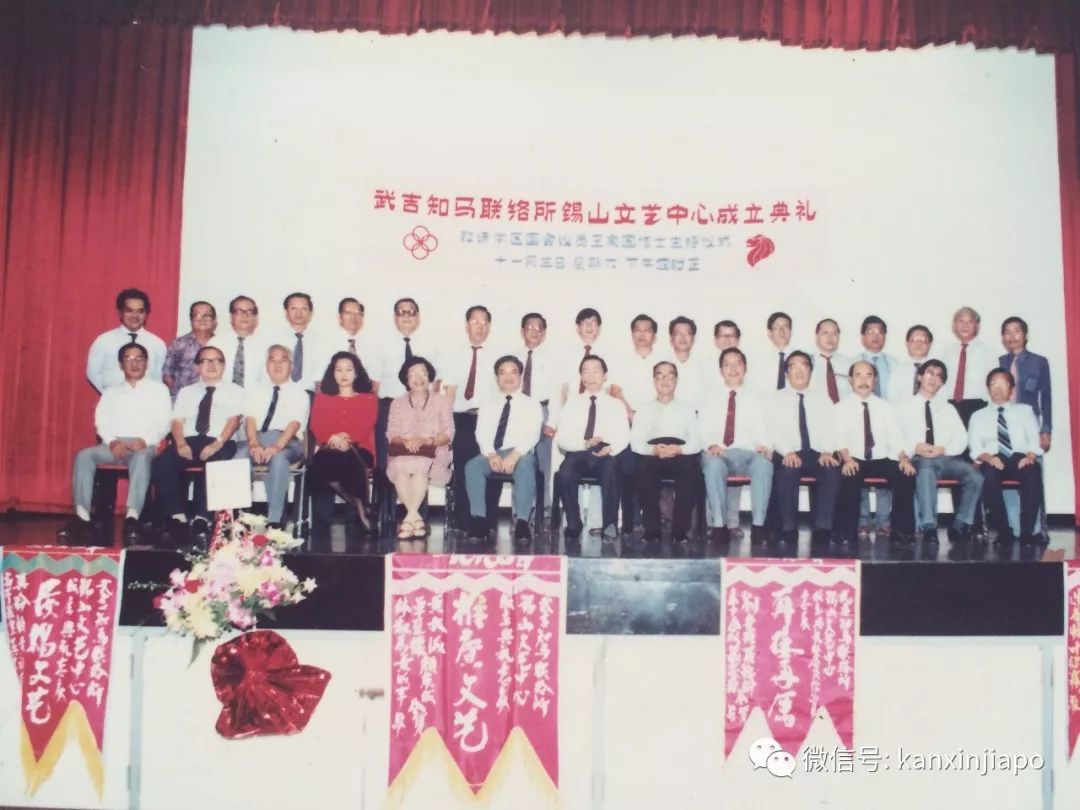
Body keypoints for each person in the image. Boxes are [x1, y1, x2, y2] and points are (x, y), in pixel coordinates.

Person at [62, 343, 171, 545]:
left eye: (139, 359)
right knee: (84, 455)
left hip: (144, 444)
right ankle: (82, 515)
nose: (134, 363)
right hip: (114, 444)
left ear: (146, 363)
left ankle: (132, 517)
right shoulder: (111, 392)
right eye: (128, 359)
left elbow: (165, 422)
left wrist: (145, 440)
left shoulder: (159, 390)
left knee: (141, 458)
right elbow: (101, 421)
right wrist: (112, 441)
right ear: (121, 365)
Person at [151, 345, 244, 545]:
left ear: (224, 366)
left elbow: (233, 421)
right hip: (190, 440)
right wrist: (180, 443)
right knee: (162, 463)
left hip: (221, 440)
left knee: (216, 463)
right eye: (206, 361)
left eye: (217, 361)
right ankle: (178, 517)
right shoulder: (186, 392)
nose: (212, 365)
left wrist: (217, 444)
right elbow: (177, 421)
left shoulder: (236, 391)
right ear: (197, 367)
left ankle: (203, 519)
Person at [897, 359, 982, 545]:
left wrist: (943, 449)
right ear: (920, 377)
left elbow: (962, 438)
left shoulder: (948, 408)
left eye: (939, 376)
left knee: (975, 476)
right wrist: (914, 447)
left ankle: (959, 524)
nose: (933, 378)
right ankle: (929, 527)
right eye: (929, 373)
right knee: (926, 468)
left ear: (942, 383)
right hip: (918, 458)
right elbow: (895, 437)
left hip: (946, 458)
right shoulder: (903, 406)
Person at [372, 297, 440, 528]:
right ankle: (389, 517)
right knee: (389, 462)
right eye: (402, 312)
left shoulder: (429, 344)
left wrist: (431, 407)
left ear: (418, 317)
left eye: (411, 312)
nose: (407, 316)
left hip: (422, 406)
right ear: (395, 317)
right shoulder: (381, 344)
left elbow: (435, 382)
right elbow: (375, 384)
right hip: (389, 407)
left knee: (421, 459)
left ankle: (418, 517)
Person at [833, 360, 916, 544]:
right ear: (850, 380)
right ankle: (846, 533)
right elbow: (839, 437)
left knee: (906, 474)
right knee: (848, 475)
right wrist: (846, 459)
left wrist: (903, 458)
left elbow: (896, 437)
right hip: (854, 458)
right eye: (858, 375)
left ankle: (901, 532)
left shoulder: (886, 407)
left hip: (881, 459)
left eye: (868, 375)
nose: (864, 380)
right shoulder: (840, 408)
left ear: (875, 380)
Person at [463, 355, 542, 546]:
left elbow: (532, 434)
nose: (508, 377)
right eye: (502, 373)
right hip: (494, 452)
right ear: (497, 377)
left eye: (513, 372)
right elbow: (481, 432)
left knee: (525, 466)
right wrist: (491, 454)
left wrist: (515, 455)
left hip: (520, 453)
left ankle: (522, 522)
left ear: (521, 376)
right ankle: (479, 520)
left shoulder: (532, 404)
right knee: (472, 466)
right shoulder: (488, 403)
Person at [555, 354, 630, 553]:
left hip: (606, 452)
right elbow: (561, 438)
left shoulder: (616, 404)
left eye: (596, 371)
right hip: (579, 451)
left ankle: (610, 524)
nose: (591, 376)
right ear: (581, 377)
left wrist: (610, 448)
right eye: (586, 371)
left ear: (605, 375)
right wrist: (584, 443)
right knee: (565, 472)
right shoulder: (572, 403)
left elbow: (624, 435)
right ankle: (573, 523)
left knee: (612, 468)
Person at [766, 351, 840, 545]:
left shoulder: (823, 398)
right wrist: (787, 451)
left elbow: (831, 428)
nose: (799, 371)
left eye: (804, 366)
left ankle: (823, 528)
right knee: (788, 470)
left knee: (831, 470)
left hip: (816, 452)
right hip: (788, 450)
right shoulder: (775, 398)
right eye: (793, 366)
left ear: (810, 371)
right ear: (786, 373)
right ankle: (788, 527)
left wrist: (827, 451)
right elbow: (773, 429)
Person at [308, 351, 379, 552]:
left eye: (349, 369)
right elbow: (316, 426)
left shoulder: (369, 399)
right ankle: (359, 504)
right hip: (329, 448)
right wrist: (332, 437)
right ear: (332, 373)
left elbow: (365, 426)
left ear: (357, 373)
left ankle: (355, 506)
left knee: (345, 458)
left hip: (360, 450)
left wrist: (344, 439)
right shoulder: (322, 398)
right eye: (338, 370)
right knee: (319, 462)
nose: (344, 374)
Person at [700, 348, 773, 544]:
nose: (733, 369)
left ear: (745, 368)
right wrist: (711, 444)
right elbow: (702, 429)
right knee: (712, 464)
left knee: (764, 464)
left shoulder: (757, 398)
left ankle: (758, 526)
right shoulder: (710, 398)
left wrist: (764, 445)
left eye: (737, 364)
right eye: (727, 365)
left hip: (748, 454)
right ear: (720, 370)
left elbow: (765, 428)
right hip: (721, 453)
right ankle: (719, 525)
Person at [630, 361, 703, 555]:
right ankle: (652, 529)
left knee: (691, 471)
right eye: (660, 375)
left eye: (670, 375)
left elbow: (697, 441)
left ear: (676, 380)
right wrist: (653, 450)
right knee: (642, 468)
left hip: (679, 451)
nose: (665, 380)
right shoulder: (643, 408)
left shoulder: (688, 408)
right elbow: (636, 442)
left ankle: (680, 530)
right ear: (654, 380)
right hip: (653, 451)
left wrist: (679, 449)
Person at [968, 369, 1044, 544]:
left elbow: (1034, 439)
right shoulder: (978, 416)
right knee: (988, 475)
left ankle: (1027, 532)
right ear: (988, 389)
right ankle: (1004, 531)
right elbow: (975, 446)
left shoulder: (1025, 411)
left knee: (1033, 470)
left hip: (1020, 457)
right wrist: (988, 458)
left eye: (1004, 384)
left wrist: (1030, 456)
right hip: (993, 458)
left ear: (1012, 389)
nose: (998, 388)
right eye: (993, 384)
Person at [386, 356, 454, 540]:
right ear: (406, 380)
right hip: (404, 452)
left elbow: (448, 433)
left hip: (434, 452)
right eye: (413, 374)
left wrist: (427, 441)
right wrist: (406, 441)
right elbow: (391, 434)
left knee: (417, 465)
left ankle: (409, 519)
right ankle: (415, 519)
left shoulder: (442, 401)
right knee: (401, 466)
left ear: (429, 376)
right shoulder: (397, 403)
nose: (418, 378)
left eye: (423, 373)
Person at [445, 305, 501, 525]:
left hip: (489, 420)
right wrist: (446, 422)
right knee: (462, 468)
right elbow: (450, 391)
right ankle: (464, 518)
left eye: (484, 322)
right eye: (475, 321)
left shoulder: (498, 355)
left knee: (490, 466)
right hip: (462, 418)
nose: (480, 326)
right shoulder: (455, 354)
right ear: (467, 324)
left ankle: (488, 519)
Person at [244, 345, 310, 529]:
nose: (278, 364)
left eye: (283, 360)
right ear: (266, 365)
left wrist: (276, 447)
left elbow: (294, 424)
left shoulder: (300, 393)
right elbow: (250, 421)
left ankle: (275, 519)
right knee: (238, 460)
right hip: (258, 439)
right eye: (273, 360)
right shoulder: (256, 392)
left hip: (288, 443)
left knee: (279, 459)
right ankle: (235, 518)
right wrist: (254, 444)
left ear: (291, 366)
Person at [857, 315, 900, 533]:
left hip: (886, 422)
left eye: (879, 332)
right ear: (862, 337)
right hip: (861, 420)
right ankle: (863, 519)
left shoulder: (895, 364)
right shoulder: (853, 363)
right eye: (870, 332)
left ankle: (884, 520)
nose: (875, 336)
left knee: (887, 461)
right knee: (860, 464)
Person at [514, 313, 557, 517]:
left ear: (544, 333)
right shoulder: (513, 357)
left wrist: (552, 421)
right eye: (529, 327)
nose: (534, 331)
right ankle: (519, 511)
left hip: (542, 410)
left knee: (543, 463)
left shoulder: (552, 359)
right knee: (518, 459)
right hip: (518, 411)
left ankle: (544, 510)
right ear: (522, 330)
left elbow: (556, 392)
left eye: (539, 328)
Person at [86, 288, 167, 393]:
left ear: (146, 315)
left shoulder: (157, 344)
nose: (135, 316)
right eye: (129, 311)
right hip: (113, 398)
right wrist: (109, 395)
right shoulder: (103, 341)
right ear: (120, 313)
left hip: (146, 399)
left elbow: (158, 377)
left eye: (140, 311)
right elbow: (92, 373)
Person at [999, 316, 1052, 452]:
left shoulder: (1039, 362)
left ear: (1025, 335)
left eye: (1016, 331)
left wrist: (1046, 430)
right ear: (1003, 337)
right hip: (1004, 423)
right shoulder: (1000, 362)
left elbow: (1046, 398)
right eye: (1007, 332)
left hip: (1030, 422)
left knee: (1032, 461)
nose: (1012, 336)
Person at [940, 306, 996, 427]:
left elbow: (993, 386)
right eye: (961, 321)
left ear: (977, 326)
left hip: (978, 407)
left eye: (970, 321)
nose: (965, 325)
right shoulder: (945, 353)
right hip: (949, 407)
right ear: (954, 325)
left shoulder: (988, 353)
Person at [317, 297, 379, 385]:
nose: (353, 317)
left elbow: (375, 381)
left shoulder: (372, 344)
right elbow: (319, 380)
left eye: (358, 313)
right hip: (333, 391)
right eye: (348, 313)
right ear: (340, 317)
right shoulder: (325, 343)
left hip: (364, 392)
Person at [163, 301, 218, 398]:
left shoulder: (220, 344)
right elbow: (167, 375)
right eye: (197, 315)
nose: (202, 319)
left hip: (213, 400)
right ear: (191, 319)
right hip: (183, 400)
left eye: (207, 315)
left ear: (214, 320)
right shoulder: (178, 344)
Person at [210, 295, 266, 389]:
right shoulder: (215, 344)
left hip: (255, 396)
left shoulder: (266, 346)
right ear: (231, 316)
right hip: (221, 396)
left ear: (255, 317)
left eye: (249, 311)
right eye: (239, 311)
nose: (244, 315)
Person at [278, 292, 319, 391]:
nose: (299, 313)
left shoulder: (320, 342)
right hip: (281, 393)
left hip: (310, 394)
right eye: (293, 308)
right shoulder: (275, 341)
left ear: (310, 313)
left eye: (304, 309)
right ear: (286, 312)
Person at [667, 316, 708, 411]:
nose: (683, 337)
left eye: (687, 334)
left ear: (693, 339)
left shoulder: (703, 366)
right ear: (671, 339)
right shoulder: (661, 365)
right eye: (678, 334)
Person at [809, 318, 848, 403]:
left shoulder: (848, 363)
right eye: (825, 333)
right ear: (817, 336)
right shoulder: (808, 362)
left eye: (834, 334)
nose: (830, 338)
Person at [891, 325, 934, 400]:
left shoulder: (937, 369)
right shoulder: (898, 370)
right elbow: (892, 398)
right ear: (907, 344)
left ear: (930, 344)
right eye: (913, 340)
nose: (919, 344)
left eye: (923, 341)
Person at [764, 312, 797, 391]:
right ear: (769, 333)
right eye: (776, 327)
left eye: (785, 327)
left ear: (790, 332)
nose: (782, 331)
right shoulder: (761, 360)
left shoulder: (801, 357)